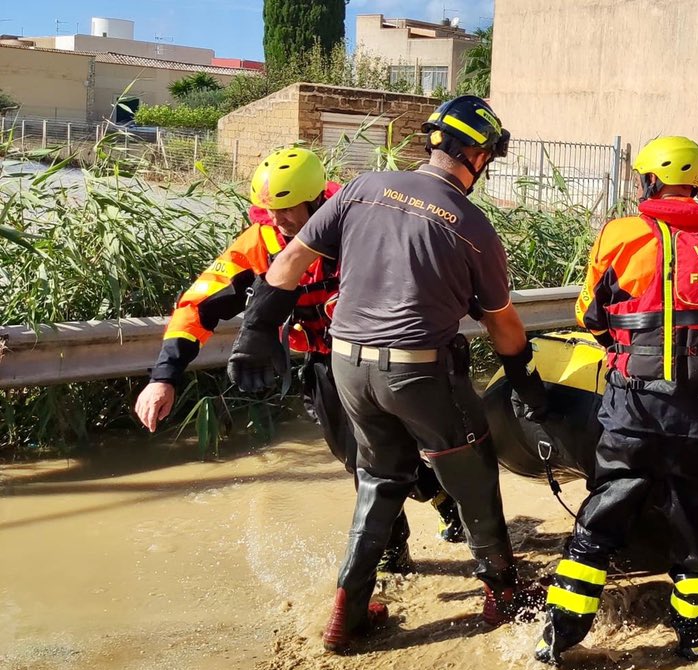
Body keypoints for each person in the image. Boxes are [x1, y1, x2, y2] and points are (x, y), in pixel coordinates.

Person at [225, 96, 548, 653]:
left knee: (378, 478)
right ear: (474, 154)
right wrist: (523, 377)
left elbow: (288, 263)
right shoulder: (473, 226)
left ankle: (348, 610)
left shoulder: (361, 188)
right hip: (419, 373)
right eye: (488, 157)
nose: (486, 166)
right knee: (470, 472)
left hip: (347, 364)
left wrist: (254, 333)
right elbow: (503, 323)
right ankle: (503, 591)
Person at [133, 147, 463, 574]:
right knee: (359, 460)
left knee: (404, 453)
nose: (278, 220)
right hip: (327, 365)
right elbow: (197, 305)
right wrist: (164, 377)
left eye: (288, 210)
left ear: (317, 201)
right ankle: (427, 515)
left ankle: (402, 546)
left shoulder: (360, 223)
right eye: (270, 210)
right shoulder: (261, 241)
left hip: (389, 355)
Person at [534, 136, 698, 665]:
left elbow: (590, 313)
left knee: (604, 512)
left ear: (649, 181)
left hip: (633, 407)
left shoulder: (623, 234)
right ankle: (697, 637)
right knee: (696, 522)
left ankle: (559, 634)